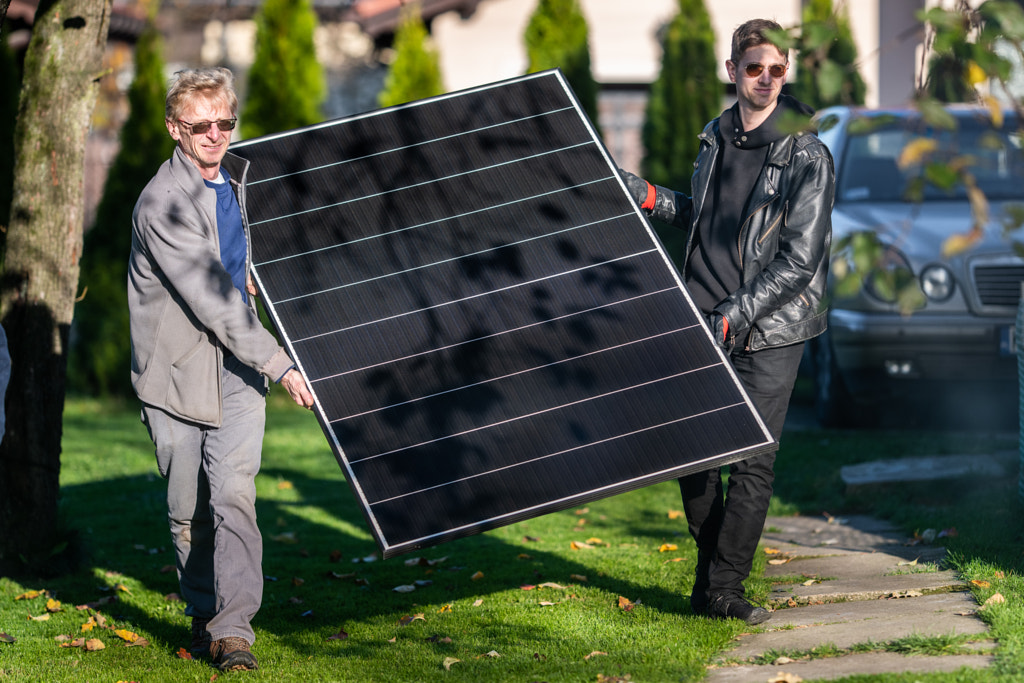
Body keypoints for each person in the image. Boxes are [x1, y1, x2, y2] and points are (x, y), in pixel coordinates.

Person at [621, 19, 834, 625]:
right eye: (754, 68)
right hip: (702, 313)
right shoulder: (714, 138)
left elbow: (800, 258)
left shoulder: (806, 152)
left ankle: (723, 590)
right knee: (692, 454)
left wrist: (734, 314)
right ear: (732, 71)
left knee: (751, 461)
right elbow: (710, 220)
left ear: (785, 74)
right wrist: (652, 199)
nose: (766, 80)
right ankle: (714, 576)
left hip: (770, 327)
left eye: (777, 70)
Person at [128, 67, 314, 672]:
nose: (214, 135)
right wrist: (282, 365)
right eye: (199, 125)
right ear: (174, 129)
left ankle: (233, 633)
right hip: (176, 374)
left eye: (224, 122)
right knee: (190, 512)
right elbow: (210, 294)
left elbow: (241, 264)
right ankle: (202, 609)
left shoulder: (239, 181)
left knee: (235, 496)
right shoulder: (162, 203)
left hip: (237, 368)